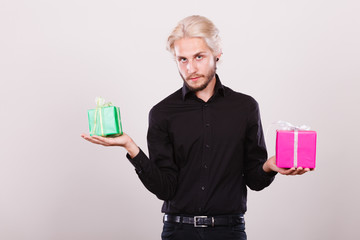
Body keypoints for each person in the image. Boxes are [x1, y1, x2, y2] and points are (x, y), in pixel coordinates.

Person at [81, 15, 312, 240]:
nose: (191, 68)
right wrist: (130, 147)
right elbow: (165, 189)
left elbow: (255, 180)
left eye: (199, 56)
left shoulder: (245, 107)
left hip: (228, 231)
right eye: (183, 59)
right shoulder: (162, 113)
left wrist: (270, 166)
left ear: (217, 55)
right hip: (178, 231)